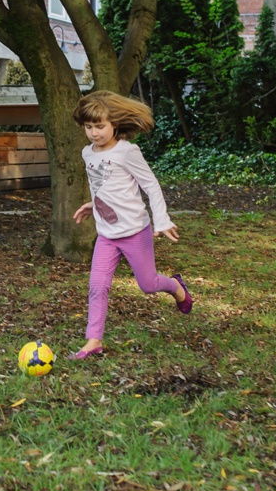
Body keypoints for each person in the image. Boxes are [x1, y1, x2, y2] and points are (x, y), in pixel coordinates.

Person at [66, 91, 195, 360]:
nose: (94, 133)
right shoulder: (87, 153)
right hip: (106, 235)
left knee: (148, 285)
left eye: (100, 127)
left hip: (135, 231)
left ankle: (176, 286)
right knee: (97, 285)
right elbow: (103, 184)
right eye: (89, 127)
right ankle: (93, 341)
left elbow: (150, 184)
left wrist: (162, 219)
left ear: (114, 124)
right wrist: (94, 204)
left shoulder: (127, 151)